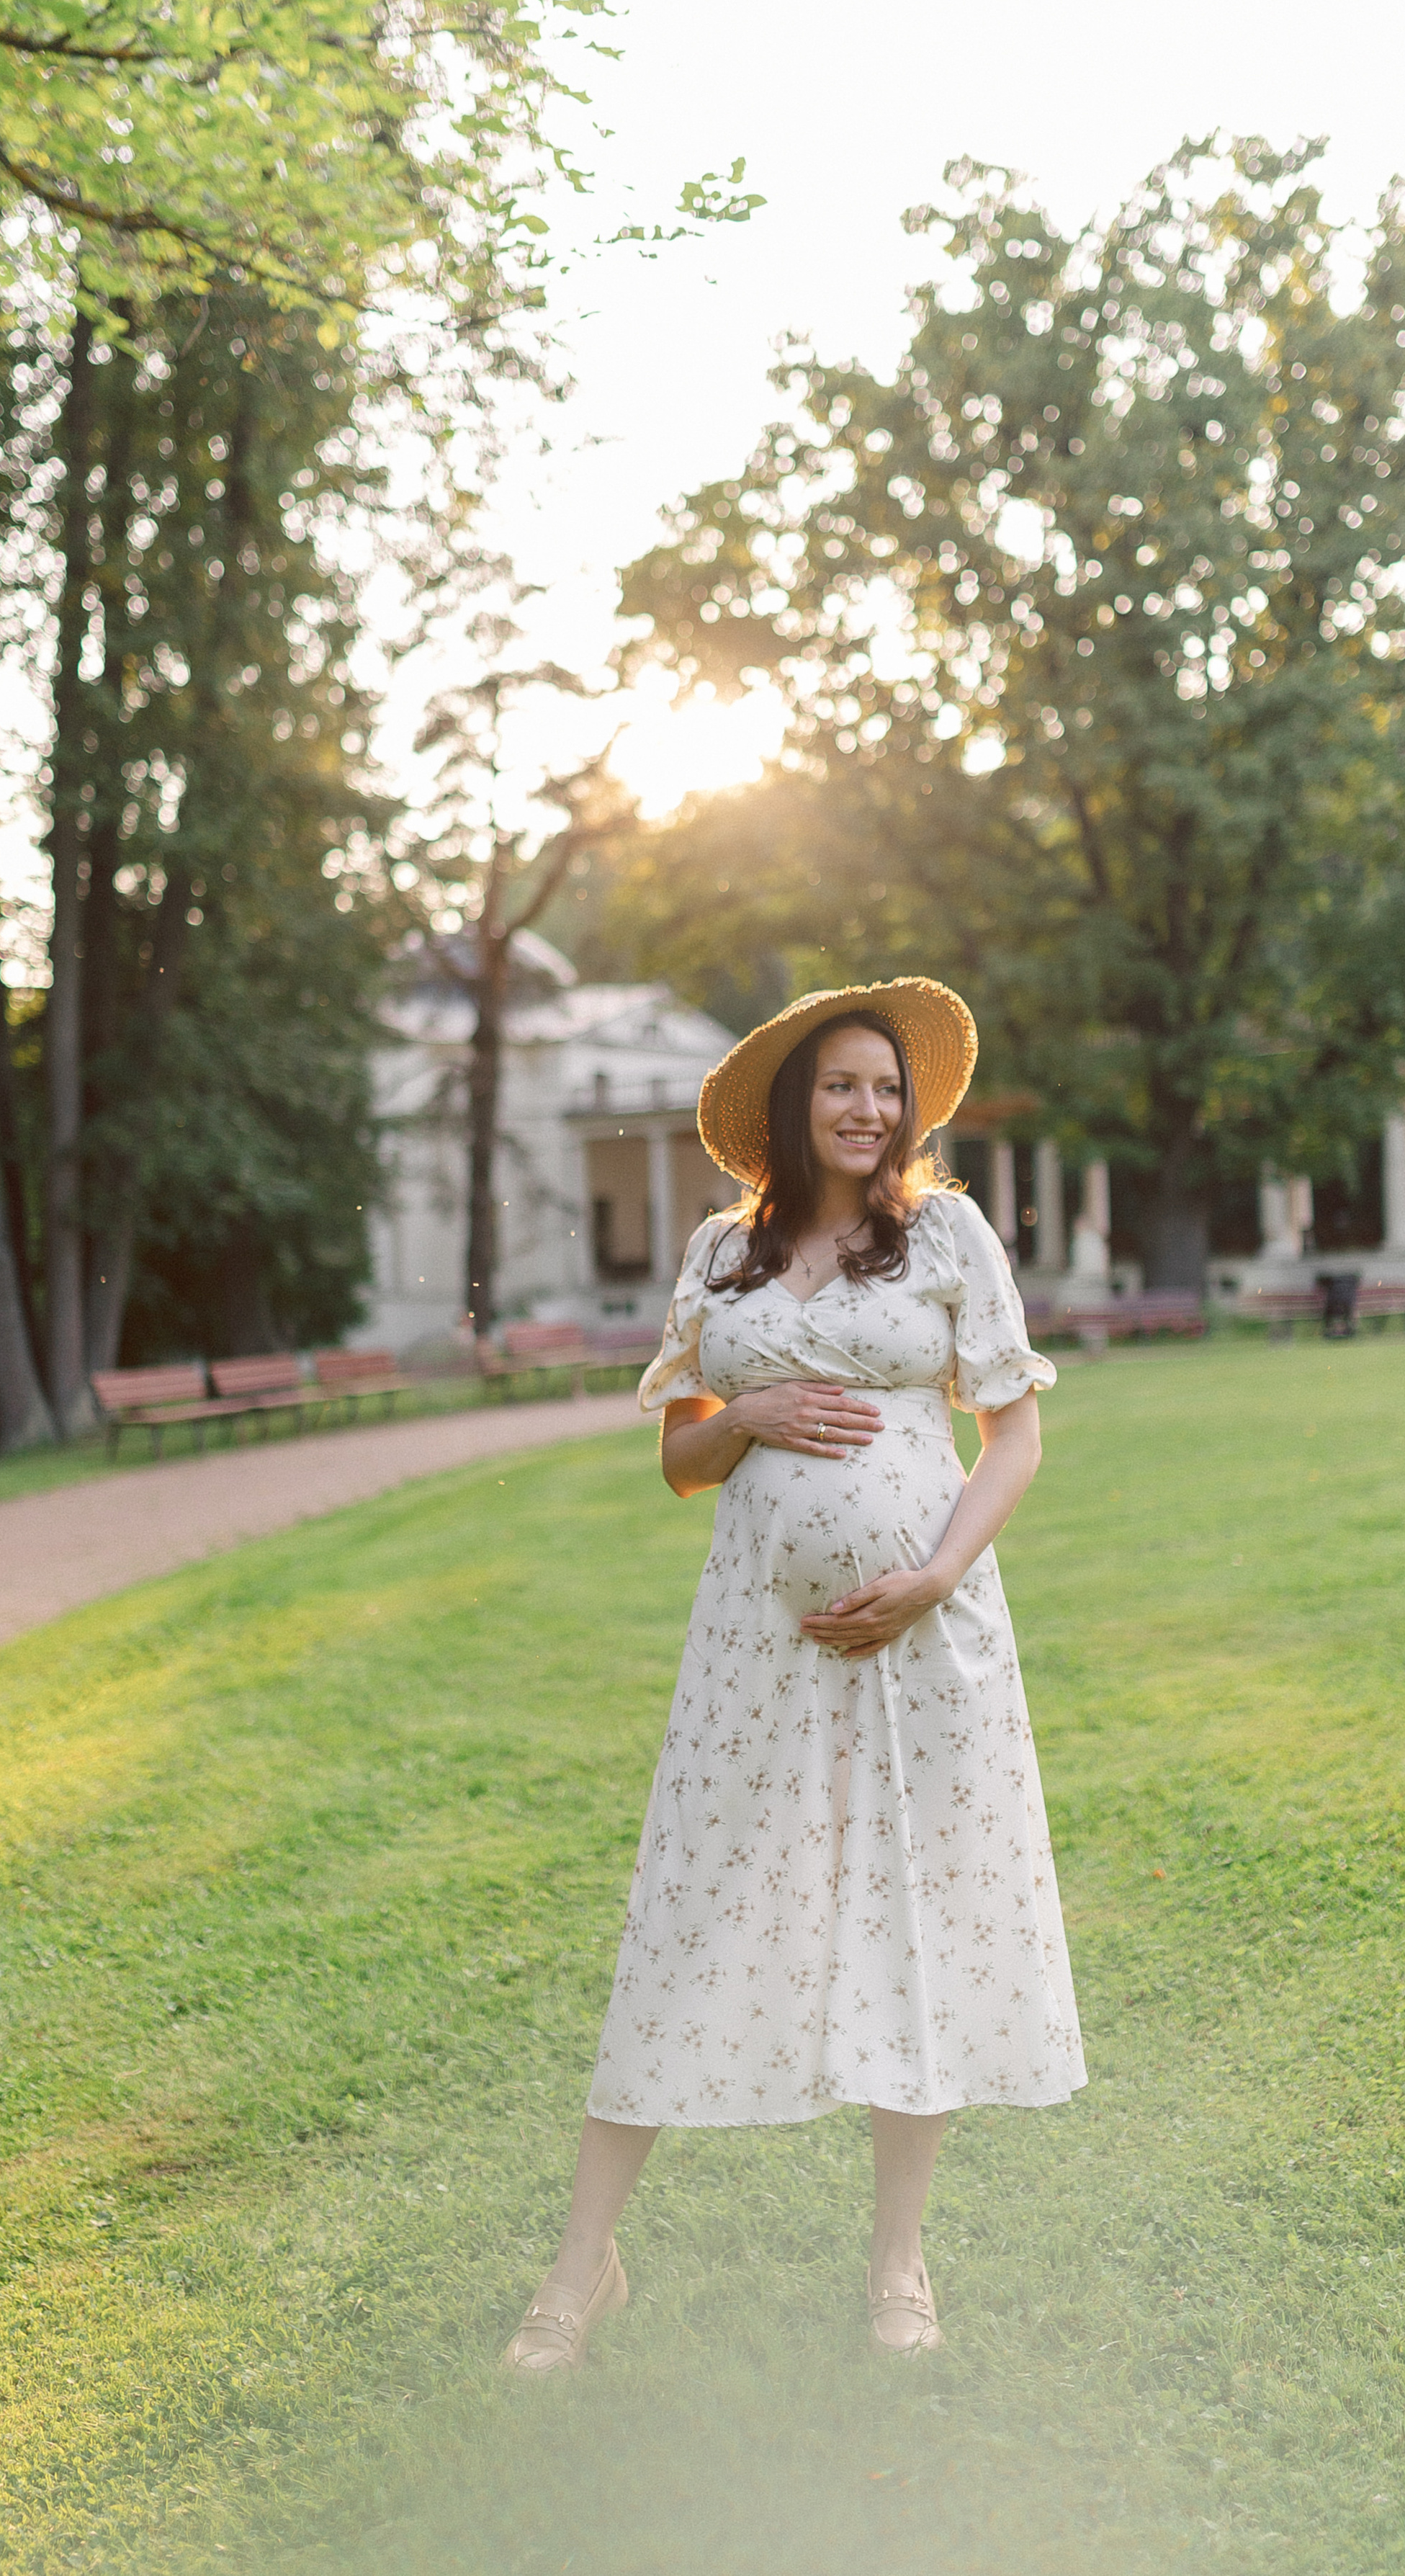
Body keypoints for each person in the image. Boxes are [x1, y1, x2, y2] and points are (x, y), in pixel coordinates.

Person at [502, 978, 1085, 2372]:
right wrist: (748, 1413)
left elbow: (1012, 1439)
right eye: (840, 1085)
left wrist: (936, 1575)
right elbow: (680, 1460)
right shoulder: (722, 1253)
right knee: (686, 1913)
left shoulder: (947, 1234)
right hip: (753, 1646)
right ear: (793, 1104)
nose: (867, 1109)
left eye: (887, 1088)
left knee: (914, 1919)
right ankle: (583, 2270)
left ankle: (899, 2266)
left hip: (926, 1635)